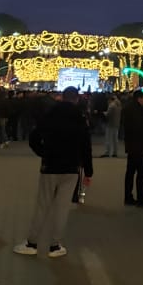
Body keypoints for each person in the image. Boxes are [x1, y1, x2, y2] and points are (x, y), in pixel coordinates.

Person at [14, 87, 93, 258]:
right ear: (77, 99)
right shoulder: (80, 118)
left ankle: (32, 243)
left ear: (61, 97)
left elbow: (34, 138)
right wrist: (88, 171)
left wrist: (43, 152)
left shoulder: (50, 114)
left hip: (50, 166)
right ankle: (55, 245)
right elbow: (86, 146)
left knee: (42, 205)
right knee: (62, 208)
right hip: (72, 168)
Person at [122, 90, 143, 205]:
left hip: (131, 144)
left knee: (130, 172)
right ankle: (140, 198)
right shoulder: (136, 109)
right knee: (141, 172)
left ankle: (128, 196)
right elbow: (139, 127)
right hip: (137, 145)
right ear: (139, 98)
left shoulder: (128, 107)